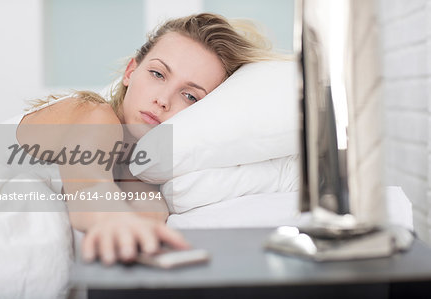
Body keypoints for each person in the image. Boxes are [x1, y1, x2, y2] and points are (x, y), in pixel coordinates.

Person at [17, 13, 281, 265]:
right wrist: (111, 220)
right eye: (158, 74)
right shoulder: (89, 112)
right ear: (130, 71)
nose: (163, 100)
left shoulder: (143, 172)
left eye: (190, 96)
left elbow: (145, 210)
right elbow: (89, 184)